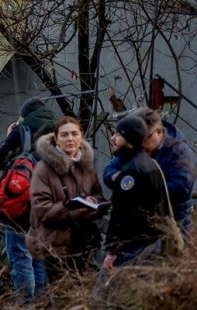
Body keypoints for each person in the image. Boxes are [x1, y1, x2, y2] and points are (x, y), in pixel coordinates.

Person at [0, 97, 56, 299]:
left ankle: (25, 301)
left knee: (20, 255)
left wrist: (10, 136)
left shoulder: (23, 132)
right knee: (38, 254)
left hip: (23, 203)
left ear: (25, 116)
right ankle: (40, 301)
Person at [25, 116, 106, 283]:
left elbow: (99, 195)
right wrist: (74, 211)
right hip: (54, 245)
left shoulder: (86, 165)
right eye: (64, 135)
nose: (70, 139)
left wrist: (93, 201)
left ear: (81, 136)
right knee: (58, 295)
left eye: (74, 134)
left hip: (83, 242)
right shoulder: (44, 168)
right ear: (56, 138)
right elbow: (42, 210)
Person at [103, 107, 196, 242]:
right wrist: (118, 178)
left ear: (159, 132)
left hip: (174, 223)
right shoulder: (135, 147)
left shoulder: (180, 152)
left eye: (145, 138)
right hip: (141, 226)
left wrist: (141, 190)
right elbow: (110, 169)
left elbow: (182, 188)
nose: (140, 142)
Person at [100, 116, 169, 276]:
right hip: (149, 243)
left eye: (118, 134)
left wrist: (112, 251)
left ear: (130, 139)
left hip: (132, 248)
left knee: (105, 293)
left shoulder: (132, 171)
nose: (113, 138)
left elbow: (122, 215)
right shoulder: (149, 164)